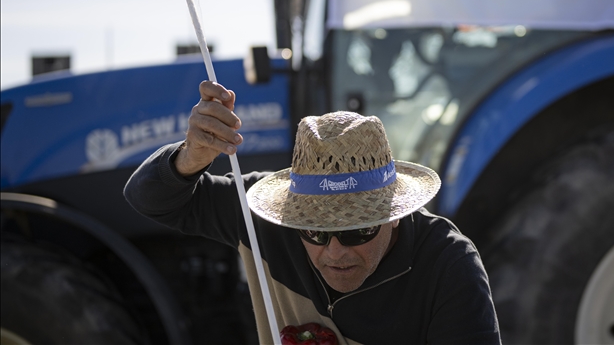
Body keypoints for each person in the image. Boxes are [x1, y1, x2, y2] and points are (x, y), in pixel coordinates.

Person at [124, 81, 500, 345]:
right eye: (315, 233)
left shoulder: (449, 264)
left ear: (395, 212)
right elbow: (148, 199)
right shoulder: (265, 219)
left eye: (358, 231)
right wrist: (192, 156)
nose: (334, 252)